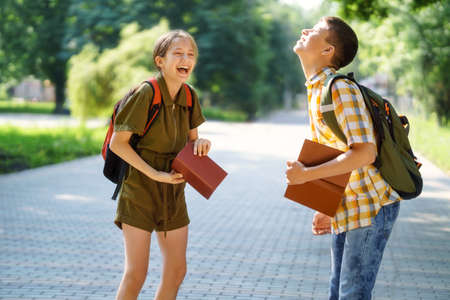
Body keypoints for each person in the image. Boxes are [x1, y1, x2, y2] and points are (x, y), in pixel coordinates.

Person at [286, 16, 401, 300]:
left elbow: (365, 152)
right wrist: (326, 204)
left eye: (314, 31)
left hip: (370, 206)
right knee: (338, 292)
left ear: (328, 51)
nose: (305, 31)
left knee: (352, 294)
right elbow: (335, 151)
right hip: (348, 204)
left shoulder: (340, 89)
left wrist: (304, 176)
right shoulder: (317, 89)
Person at [110, 30, 210, 300]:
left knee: (177, 271)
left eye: (190, 54)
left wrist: (201, 145)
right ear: (160, 61)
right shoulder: (146, 93)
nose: (185, 59)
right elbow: (117, 144)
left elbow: (192, 144)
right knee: (136, 273)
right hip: (140, 190)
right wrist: (155, 173)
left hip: (173, 192)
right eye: (178, 53)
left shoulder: (190, 96)